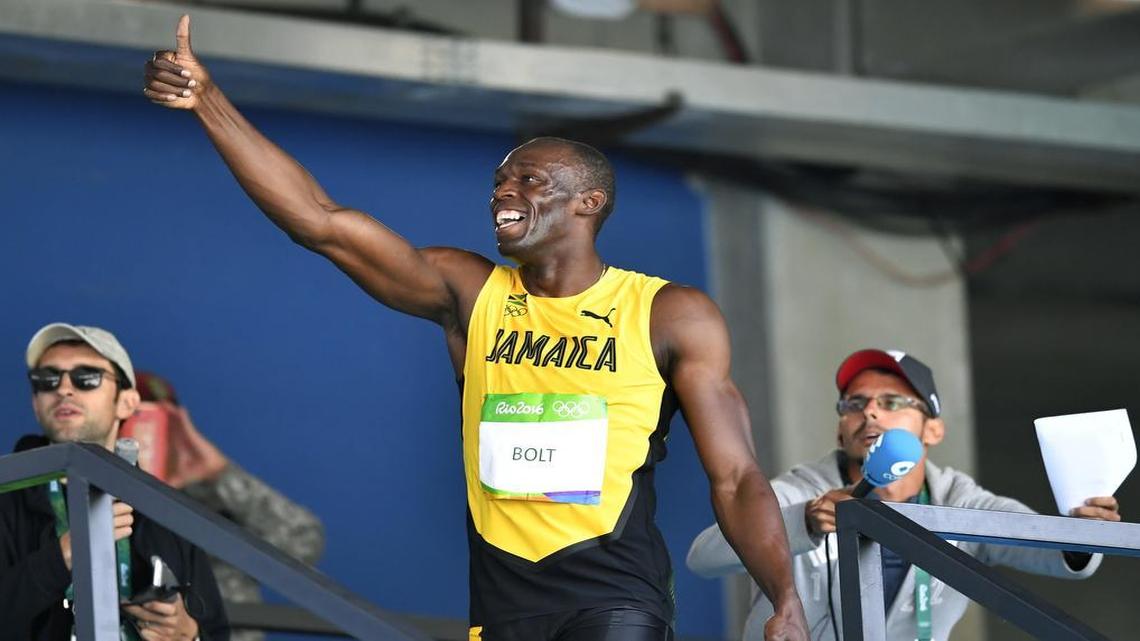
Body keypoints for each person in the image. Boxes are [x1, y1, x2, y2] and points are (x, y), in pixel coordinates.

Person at [144, 15, 809, 641]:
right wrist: (208, 102)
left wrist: (784, 597)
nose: (503, 191)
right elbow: (320, 222)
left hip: (615, 595)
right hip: (503, 605)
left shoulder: (669, 311)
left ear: (588, 202)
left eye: (529, 179)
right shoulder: (469, 291)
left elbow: (737, 477)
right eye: (498, 181)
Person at [686, 348, 1122, 641]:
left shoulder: (960, 501)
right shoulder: (800, 490)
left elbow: (1052, 552)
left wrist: (1082, 533)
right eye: (854, 404)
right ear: (841, 430)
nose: (870, 411)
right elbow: (701, 557)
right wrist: (802, 521)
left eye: (893, 402)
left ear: (933, 429)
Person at [0, 322, 229, 641]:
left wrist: (188, 634)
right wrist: (63, 556)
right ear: (36, 404)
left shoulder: (167, 509)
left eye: (86, 378)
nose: (64, 388)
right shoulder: (6, 494)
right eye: (47, 380)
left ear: (127, 402)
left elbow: (216, 631)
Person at [129, 371, 326, 641]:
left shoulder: (215, 501)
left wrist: (218, 472)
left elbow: (303, 541)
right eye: (134, 421)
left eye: (156, 425)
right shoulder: (86, 495)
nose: (145, 438)